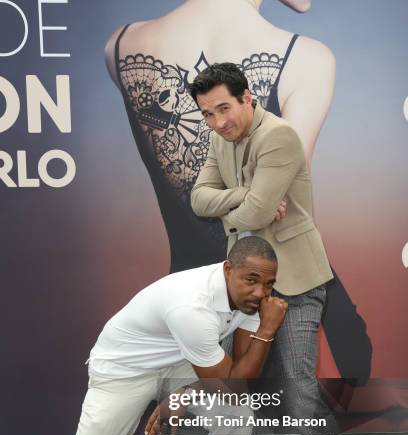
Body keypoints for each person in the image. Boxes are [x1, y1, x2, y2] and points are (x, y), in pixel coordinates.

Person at [105, 0, 371, 393]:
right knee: (280, 424)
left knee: (222, 430)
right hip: (267, 292)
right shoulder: (308, 58)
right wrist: (253, 196)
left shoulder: (121, 45)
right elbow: (276, 205)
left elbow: (261, 198)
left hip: (189, 293)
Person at [9, 237, 288, 435]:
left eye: (269, 284)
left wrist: (184, 392)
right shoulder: (192, 306)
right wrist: (267, 331)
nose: (261, 293)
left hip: (180, 362)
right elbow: (231, 381)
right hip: (124, 369)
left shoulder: (251, 297)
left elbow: (238, 386)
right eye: (251, 281)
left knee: (236, 412)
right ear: (227, 270)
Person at [188, 62, 365, 435]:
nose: (218, 122)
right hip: (246, 283)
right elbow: (198, 199)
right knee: (233, 380)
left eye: (224, 108)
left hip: (294, 282)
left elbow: (259, 213)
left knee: (298, 387)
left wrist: (241, 202)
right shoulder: (218, 137)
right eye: (207, 114)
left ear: (248, 98)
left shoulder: (279, 136)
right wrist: (243, 196)